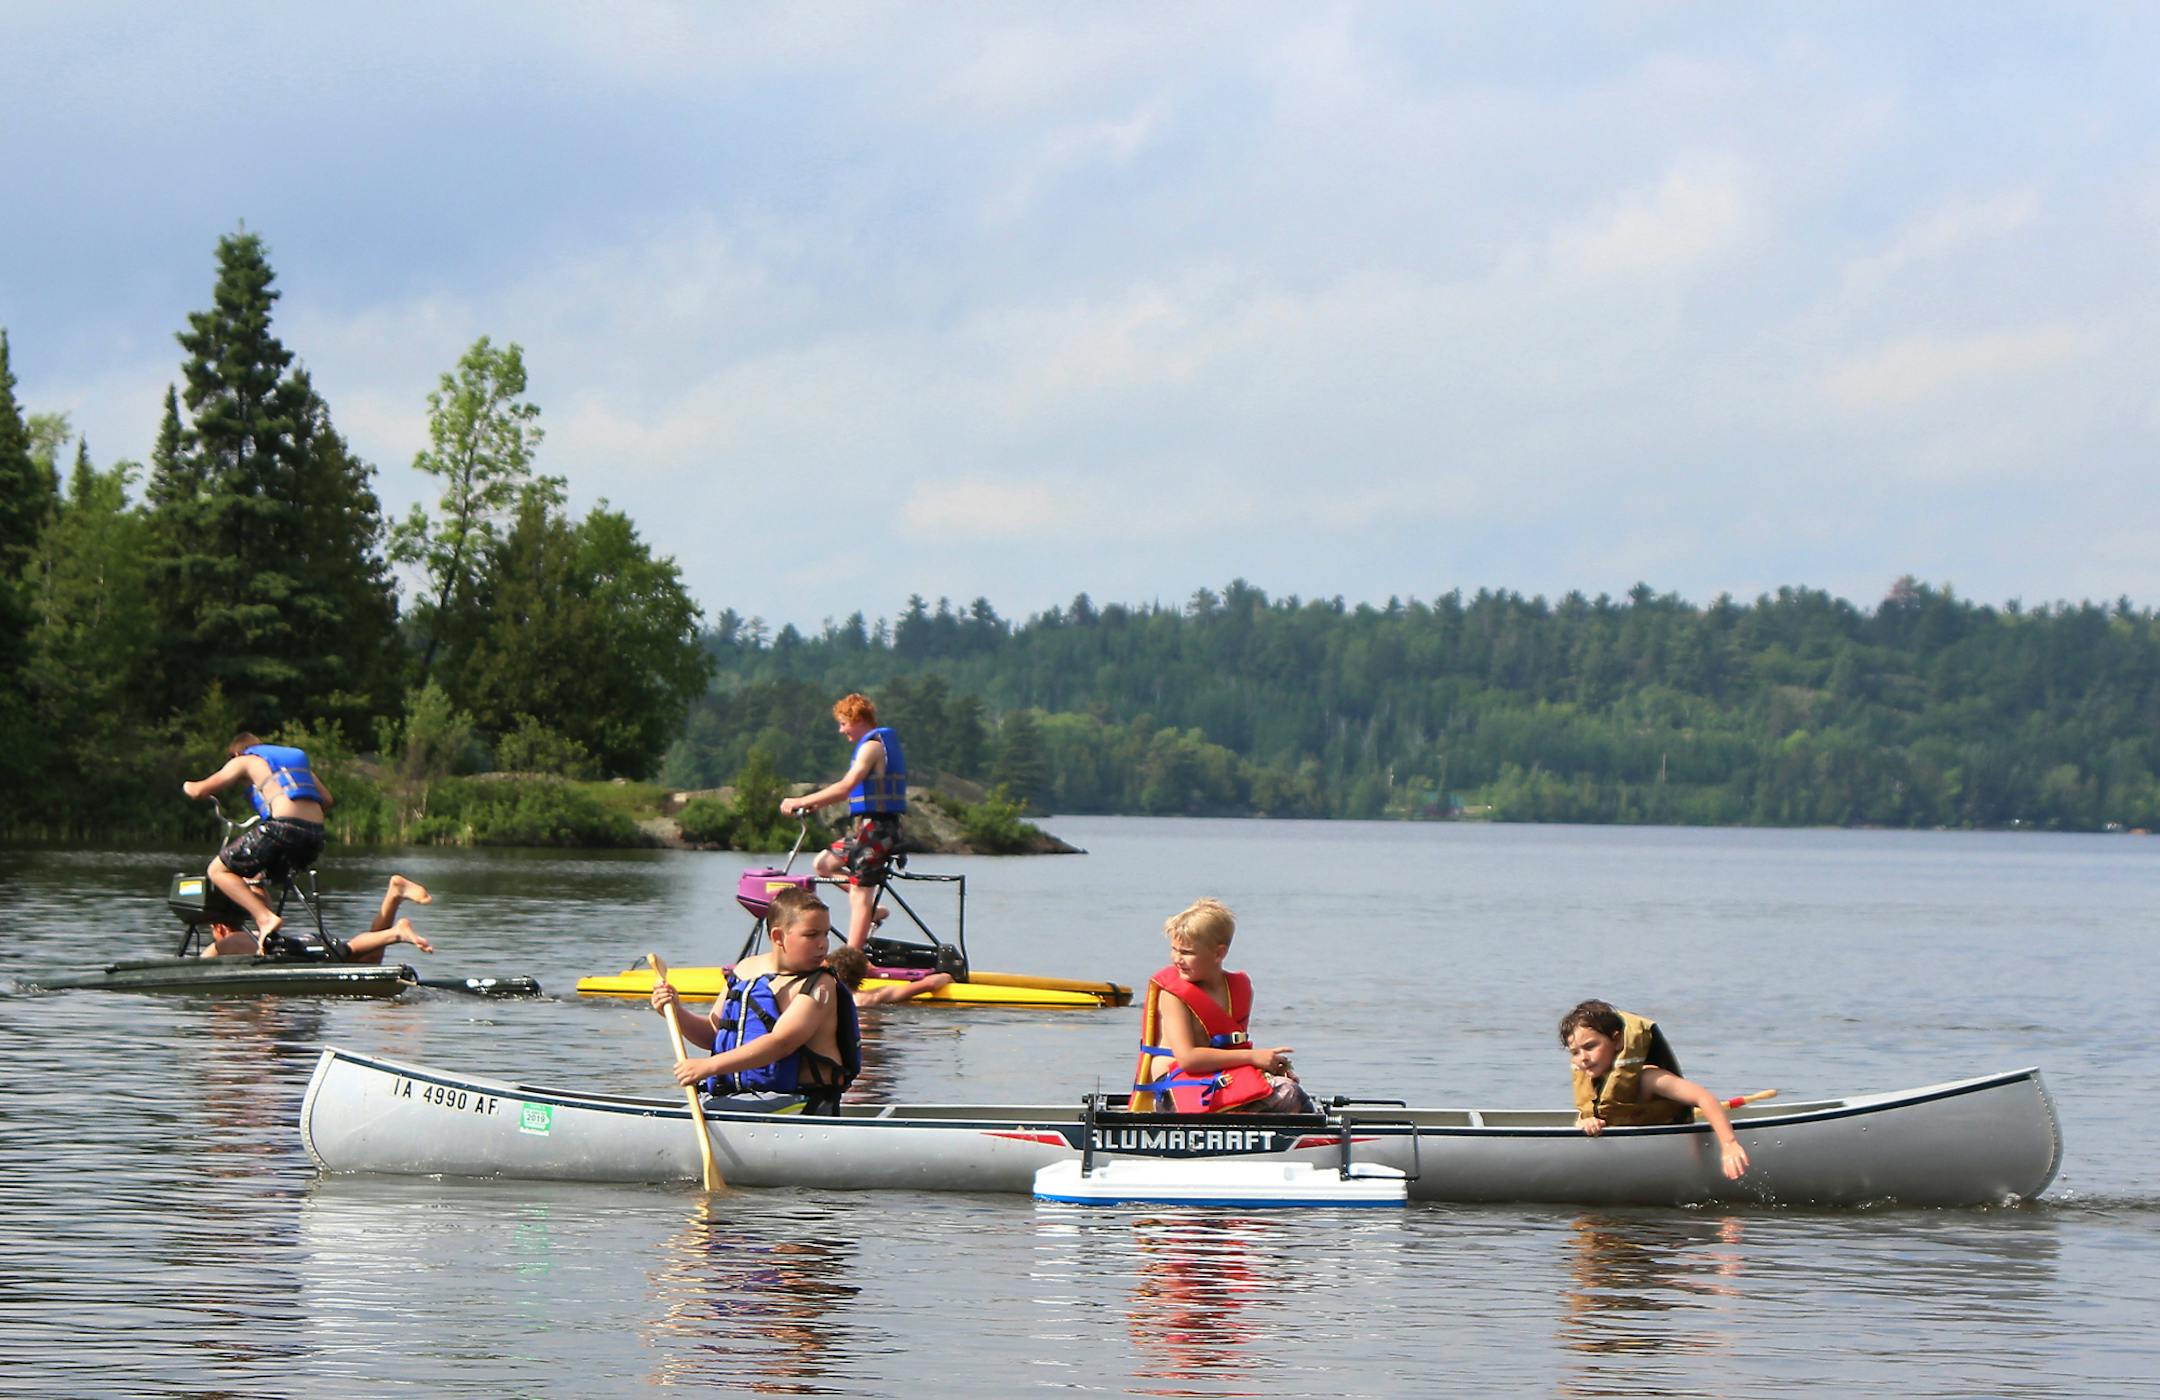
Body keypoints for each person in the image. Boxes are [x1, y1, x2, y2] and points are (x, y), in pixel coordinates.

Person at [651, 886, 861, 1115]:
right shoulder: (745, 969)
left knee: (701, 1111)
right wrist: (675, 1012)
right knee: (697, 1109)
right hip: (740, 1100)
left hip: (801, 1102)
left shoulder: (821, 985)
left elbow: (782, 1043)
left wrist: (708, 1066)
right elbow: (712, 1033)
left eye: (826, 934)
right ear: (778, 937)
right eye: (812, 935)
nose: (823, 944)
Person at [1130, 898, 1312, 1114]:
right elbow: (1188, 1059)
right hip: (1176, 1089)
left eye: (1187, 952)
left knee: (1286, 1086)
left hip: (1216, 1079)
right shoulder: (1172, 995)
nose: (1177, 959)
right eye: (1174, 950)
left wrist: (1265, 1069)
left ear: (1219, 953)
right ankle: (1316, 1139)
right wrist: (1254, 1057)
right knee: (1289, 1093)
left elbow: (1232, 1052)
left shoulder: (1239, 989)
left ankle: (1300, 1140)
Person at [1558, 999, 1750, 1180]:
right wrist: (1585, 1122)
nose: (1582, 1058)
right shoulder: (1595, 1083)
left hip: (1676, 1149)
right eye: (1575, 1052)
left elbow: (1704, 1098)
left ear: (1617, 1041)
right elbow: (1584, 1116)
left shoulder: (1648, 1077)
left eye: (1590, 1046)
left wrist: (1729, 1144)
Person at [778, 692, 907, 950]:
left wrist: (801, 801)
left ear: (858, 719)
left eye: (843, 723)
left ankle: (852, 958)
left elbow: (846, 787)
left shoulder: (872, 747)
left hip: (880, 830)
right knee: (824, 864)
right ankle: (874, 911)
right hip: (865, 829)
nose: (841, 730)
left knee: (860, 893)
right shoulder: (868, 745)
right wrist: (813, 805)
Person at [182, 732, 334, 951]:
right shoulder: (292, 764)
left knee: (217, 871)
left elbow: (199, 791)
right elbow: (327, 800)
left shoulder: (245, 760)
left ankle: (265, 919)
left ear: (236, 753)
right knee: (254, 875)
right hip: (315, 837)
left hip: (283, 828)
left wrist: (186, 785)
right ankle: (271, 940)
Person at [201, 873, 437, 961]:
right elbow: (265, 907)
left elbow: (196, 965)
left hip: (303, 951)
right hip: (303, 943)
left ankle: (397, 932)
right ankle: (394, 896)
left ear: (219, 927)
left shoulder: (224, 945)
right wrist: (255, 883)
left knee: (352, 950)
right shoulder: (255, 933)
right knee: (366, 958)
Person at [826, 944, 954, 1007]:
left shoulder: (827, 1000)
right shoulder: (872, 997)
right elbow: (929, 984)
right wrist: (946, 976)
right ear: (863, 974)